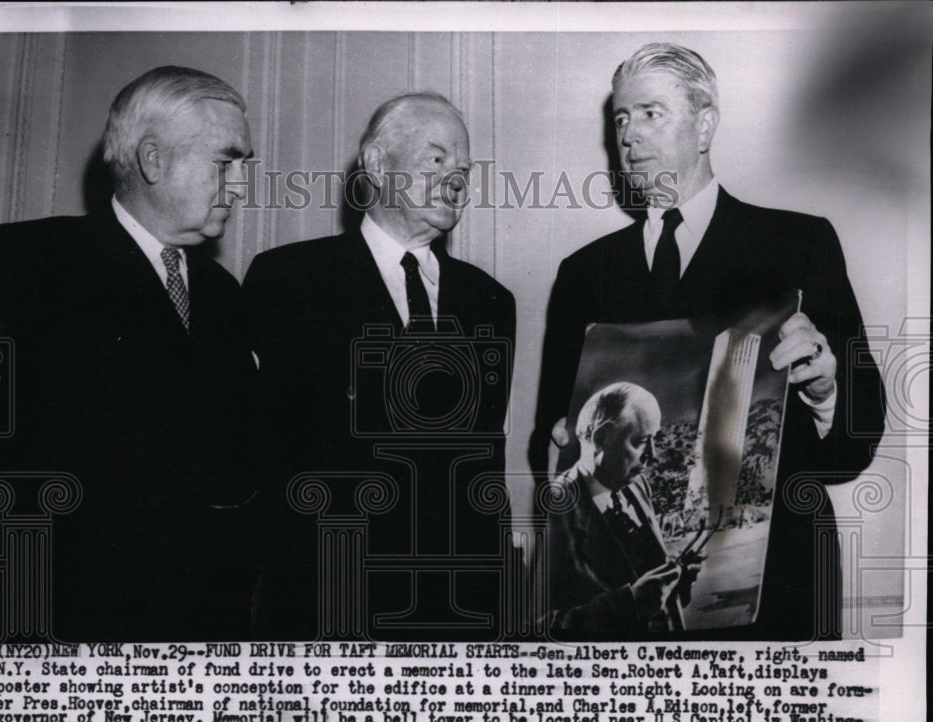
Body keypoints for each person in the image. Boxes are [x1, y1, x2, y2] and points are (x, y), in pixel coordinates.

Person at [532, 43, 885, 641]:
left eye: (650, 114)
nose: (629, 136)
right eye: (620, 119)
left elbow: (853, 449)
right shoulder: (582, 273)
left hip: (779, 589)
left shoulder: (798, 244)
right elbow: (550, 440)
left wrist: (826, 390)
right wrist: (560, 452)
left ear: (704, 125)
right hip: (627, 601)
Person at [0, 66, 261, 643]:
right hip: (53, 622)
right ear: (153, 159)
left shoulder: (225, 296)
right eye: (226, 163)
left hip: (195, 628)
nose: (241, 186)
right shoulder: (25, 259)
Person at [243, 92, 516, 640]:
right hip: (328, 604)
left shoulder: (491, 300)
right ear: (374, 164)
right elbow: (260, 458)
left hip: (462, 612)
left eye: (462, 168)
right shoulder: (289, 279)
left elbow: (487, 464)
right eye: (435, 160)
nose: (455, 179)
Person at [545, 383, 699, 640]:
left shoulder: (637, 484)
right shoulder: (552, 510)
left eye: (655, 440)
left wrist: (677, 580)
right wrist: (630, 605)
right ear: (601, 438)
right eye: (641, 442)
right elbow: (531, 625)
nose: (653, 455)